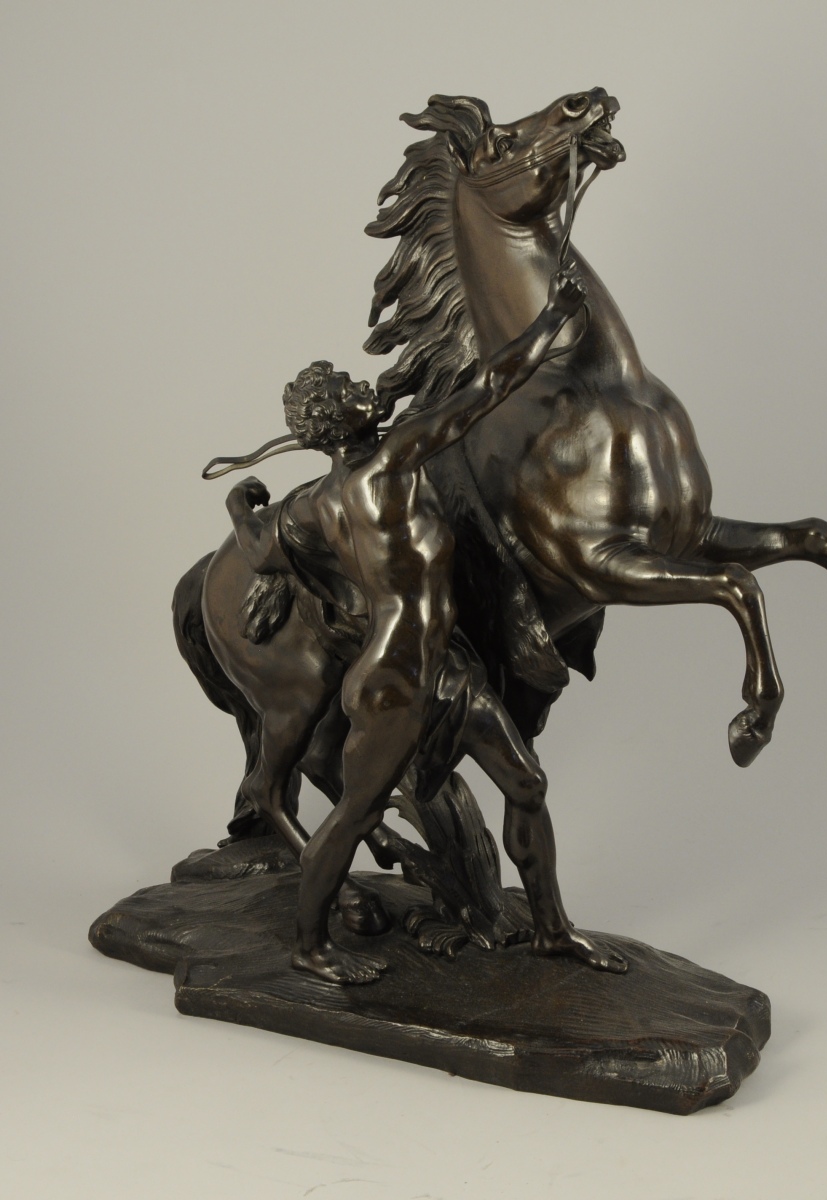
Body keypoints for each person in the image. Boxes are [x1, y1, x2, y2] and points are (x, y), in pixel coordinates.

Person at [227, 265, 626, 983]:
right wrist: (551, 322)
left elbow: (259, 548)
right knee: (355, 813)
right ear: (335, 423)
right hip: (395, 680)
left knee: (527, 784)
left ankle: (551, 931)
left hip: (448, 666)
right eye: (347, 391)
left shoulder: (312, 505)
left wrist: (239, 504)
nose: (363, 390)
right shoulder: (390, 460)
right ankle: (310, 947)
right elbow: (489, 387)